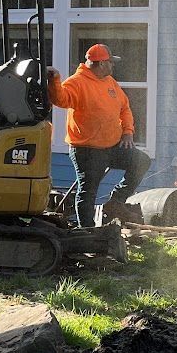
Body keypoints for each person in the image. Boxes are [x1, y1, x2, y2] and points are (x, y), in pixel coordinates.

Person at [48, 43, 151, 228]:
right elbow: (60, 99)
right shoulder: (77, 82)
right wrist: (54, 80)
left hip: (112, 146)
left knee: (141, 161)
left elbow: (124, 108)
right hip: (87, 150)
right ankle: (87, 232)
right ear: (101, 63)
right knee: (88, 192)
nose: (113, 66)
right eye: (111, 62)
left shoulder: (110, 82)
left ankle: (116, 201)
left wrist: (128, 132)